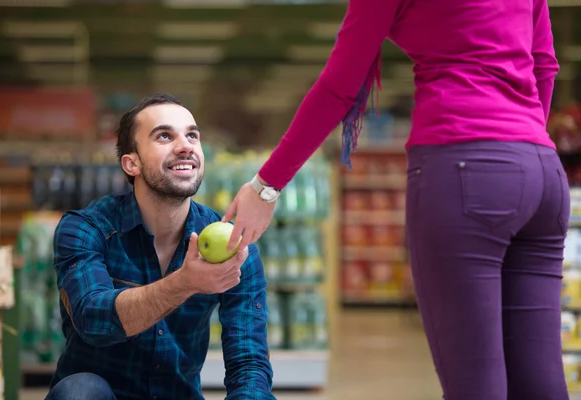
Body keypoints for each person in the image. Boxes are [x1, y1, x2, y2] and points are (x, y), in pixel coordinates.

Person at [222, 0, 568, 399]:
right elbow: (544, 65)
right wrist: (517, 156)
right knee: (540, 380)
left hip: (464, 166)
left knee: (476, 385)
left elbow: (339, 86)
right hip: (542, 169)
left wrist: (267, 185)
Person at [46, 93, 275, 400]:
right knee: (79, 391)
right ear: (132, 163)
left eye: (192, 135)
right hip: (101, 395)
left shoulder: (233, 245)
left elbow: (249, 364)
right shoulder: (88, 229)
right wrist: (185, 283)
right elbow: (93, 319)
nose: (186, 146)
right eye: (165, 136)